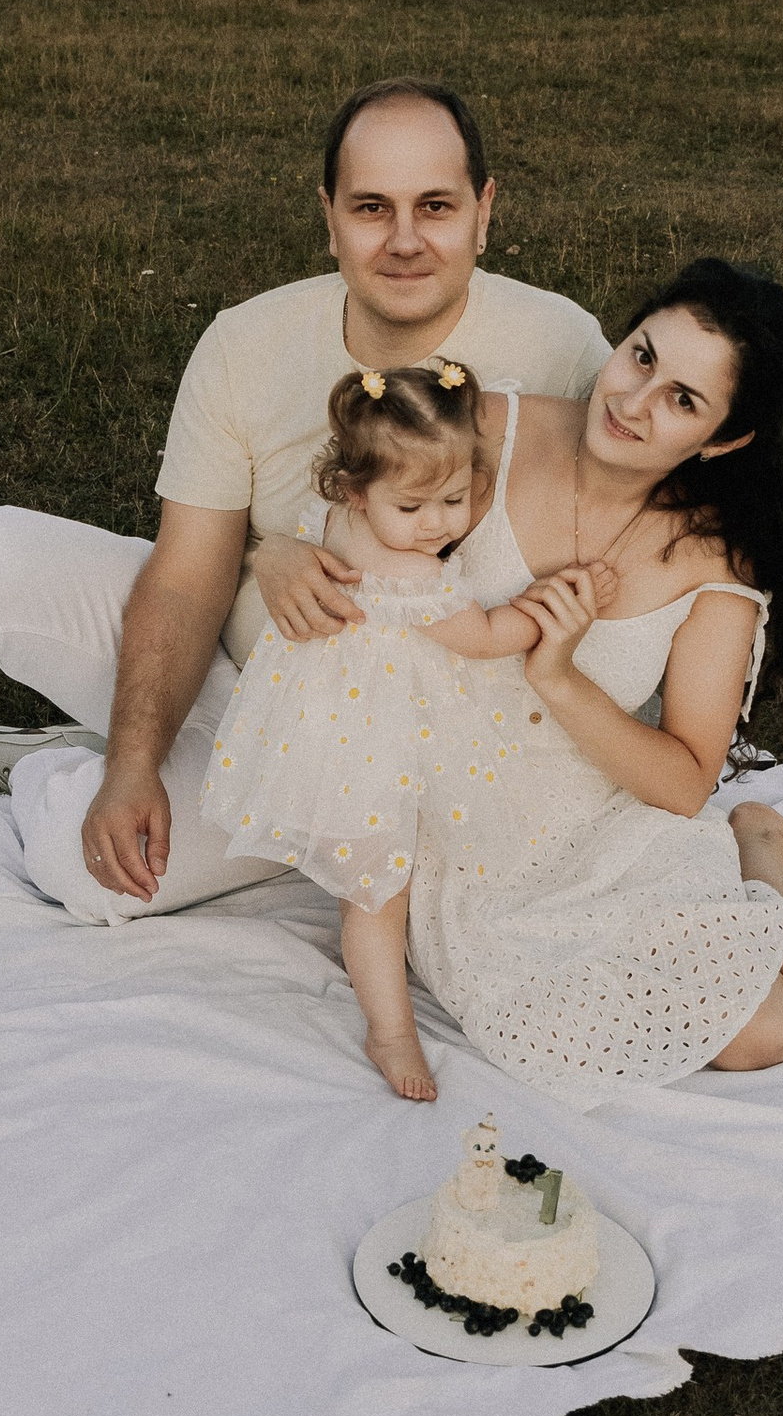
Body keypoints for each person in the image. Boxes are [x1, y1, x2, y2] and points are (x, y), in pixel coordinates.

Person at [0, 83, 612, 918]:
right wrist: (145, 751)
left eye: (436, 208)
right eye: (372, 207)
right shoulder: (246, 342)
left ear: (485, 214)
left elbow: (622, 560)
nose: (404, 239)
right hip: (228, 675)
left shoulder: (564, 349)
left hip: (372, 754)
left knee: (85, 873)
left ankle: (34, 761)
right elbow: (183, 580)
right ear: (328, 217)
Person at [388, 258, 783, 1104]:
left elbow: (689, 779)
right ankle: (773, 910)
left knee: (762, 1032)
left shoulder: (712, 564)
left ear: (724, 439)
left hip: (596, 815)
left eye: (684, 401)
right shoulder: (487, 429)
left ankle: (762, 853)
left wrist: (559, 675)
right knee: (541, 1013)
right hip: (452, 825)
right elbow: (356, 515)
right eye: (643, 357)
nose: (633, 401)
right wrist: (294, 554)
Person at [202, 358, 553, 1099]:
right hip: (375, 740)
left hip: (333, 723)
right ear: (358, 491)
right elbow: (482, 637)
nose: (438, 525)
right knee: (376, 890)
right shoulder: (415, 575)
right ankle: (390, 1029)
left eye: (455, 499)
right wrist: (544, 612)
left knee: (391, 876)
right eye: (415, 507)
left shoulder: (335, 520)